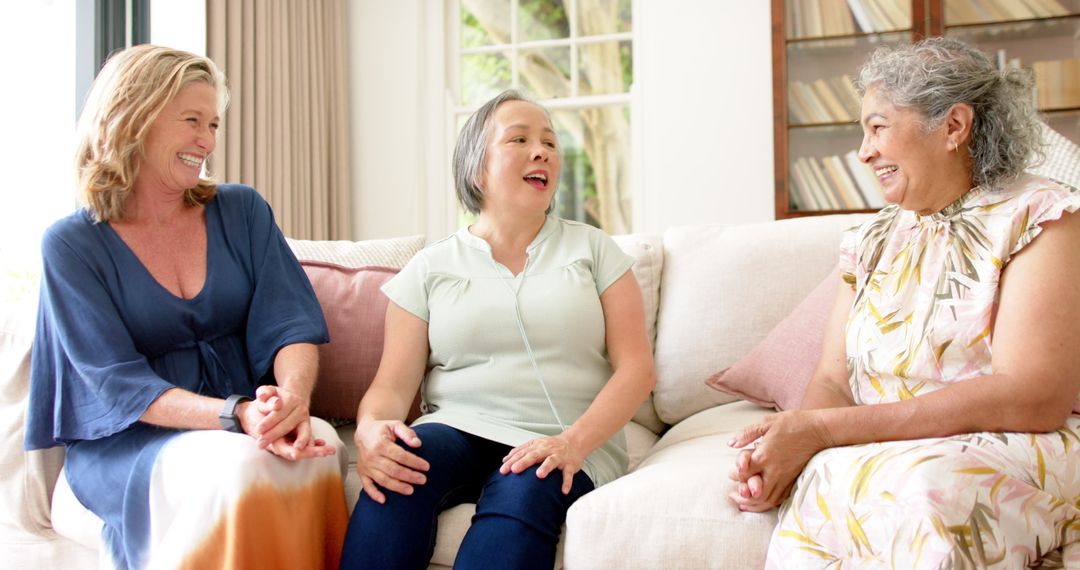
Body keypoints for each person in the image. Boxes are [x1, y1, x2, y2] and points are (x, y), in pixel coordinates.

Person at [727, 36, 1080, 568]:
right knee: (826, 481)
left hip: (1004, 446)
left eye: (878, 126)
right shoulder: (869, 241)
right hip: (888, 451)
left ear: (953, 128)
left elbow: (1032, 396)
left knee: (925, 487)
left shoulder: (1039, 216)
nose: (865, 151)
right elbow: (831, 381)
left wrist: (824, 430)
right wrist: (790, 446)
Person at [24, 44, 348, 569]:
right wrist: (235, 414)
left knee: (322, 445)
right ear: (134, 118)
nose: (207, 140)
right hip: (130, 444)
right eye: (192, 120)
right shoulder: (70, 245)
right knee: (243, 464)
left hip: (241, 420)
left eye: (214, 124)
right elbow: (115, 384)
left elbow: (290, 324)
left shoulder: (242, 210)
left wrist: (290, 401)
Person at [340, 89, 656, 569]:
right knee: (401, 471)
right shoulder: (429, 268)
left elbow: (636, 370)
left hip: (562, 435)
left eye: (550, 142)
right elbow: (390, 387)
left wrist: (572, 443)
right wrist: (370, 432)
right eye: (520, 139)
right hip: (459, 427)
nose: (543, 151)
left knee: (525, 488)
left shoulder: (594, 251)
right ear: (476, 169)